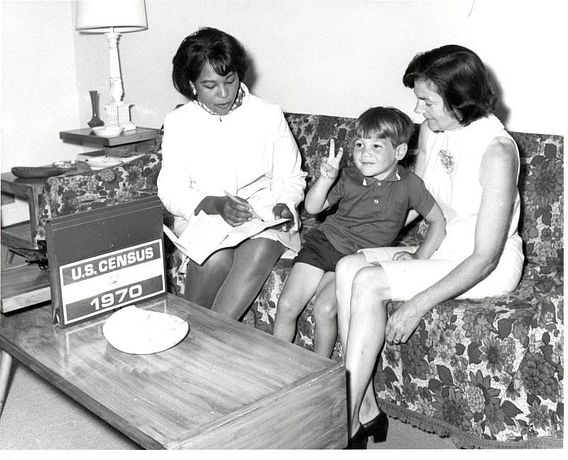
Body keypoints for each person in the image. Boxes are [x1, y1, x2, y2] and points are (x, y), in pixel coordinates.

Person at [336, 44, 524, 448]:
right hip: (441, 247)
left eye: (427, 101)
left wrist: (417, 302)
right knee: (349, 266)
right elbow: (412, 202)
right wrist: (358, 234)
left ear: (459, 101)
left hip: (484, 263)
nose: (418, 111)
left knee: (369, 281)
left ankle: (340, 425)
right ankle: (364, 409)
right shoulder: (433, 130)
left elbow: (486, 255)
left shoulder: (497, 151)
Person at [157, 27, 307, 320]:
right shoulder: (179, 122)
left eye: (230, 80)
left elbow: (292, 178)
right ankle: (193, 333)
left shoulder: (267, 114)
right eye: (210, 86)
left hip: (262, 215)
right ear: (191, 85)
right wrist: (214, 204)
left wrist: (285, 205)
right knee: (215, 261)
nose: (224, 94)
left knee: (263, 246)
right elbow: (171, 191)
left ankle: (214, 344)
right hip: (206, 217)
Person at [273, 107, 446, 358]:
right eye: (359, 144)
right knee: (287, 305)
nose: (364, 153)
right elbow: (312, 207)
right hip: (324, 244)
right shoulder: (348, 176)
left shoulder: (411, 185)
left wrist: (419, 257)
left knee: (324, 308)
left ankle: (319, 372)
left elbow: (438, 222)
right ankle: (274, 368)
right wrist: (326, 178)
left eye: (376, 146)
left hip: (356, 258)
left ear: (399, 151)